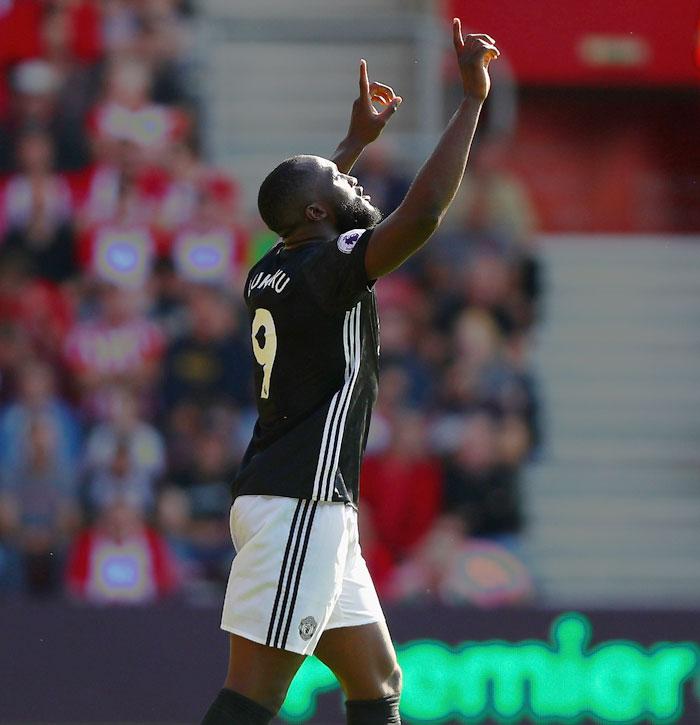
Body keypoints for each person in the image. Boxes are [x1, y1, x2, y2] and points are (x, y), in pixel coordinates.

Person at [201, 21, 499, 725]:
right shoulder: (326, 268)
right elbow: (423, 213)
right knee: (253, 696)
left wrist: (351, 143)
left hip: (297, 499)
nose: (355, 180)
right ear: (315, 212)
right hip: (299, 500)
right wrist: (471, 101)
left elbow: (300, 212)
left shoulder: (271, 268)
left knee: (377, 678)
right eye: (342, 180)